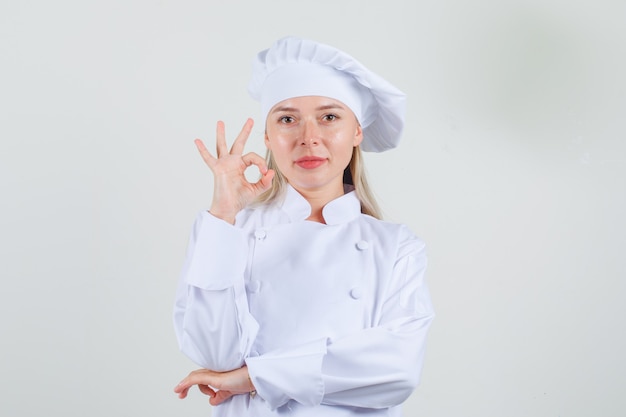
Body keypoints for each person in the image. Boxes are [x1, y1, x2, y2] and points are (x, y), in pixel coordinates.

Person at [172, 36, 435, 416]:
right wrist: (224, 213)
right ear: (268, 136)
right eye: (287, 119)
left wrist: (254, 377)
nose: (309, 138)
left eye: (329, 117)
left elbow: (396, 370)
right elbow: (213, 353)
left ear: (357, 132)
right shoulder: (227, 230)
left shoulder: (395, 247)